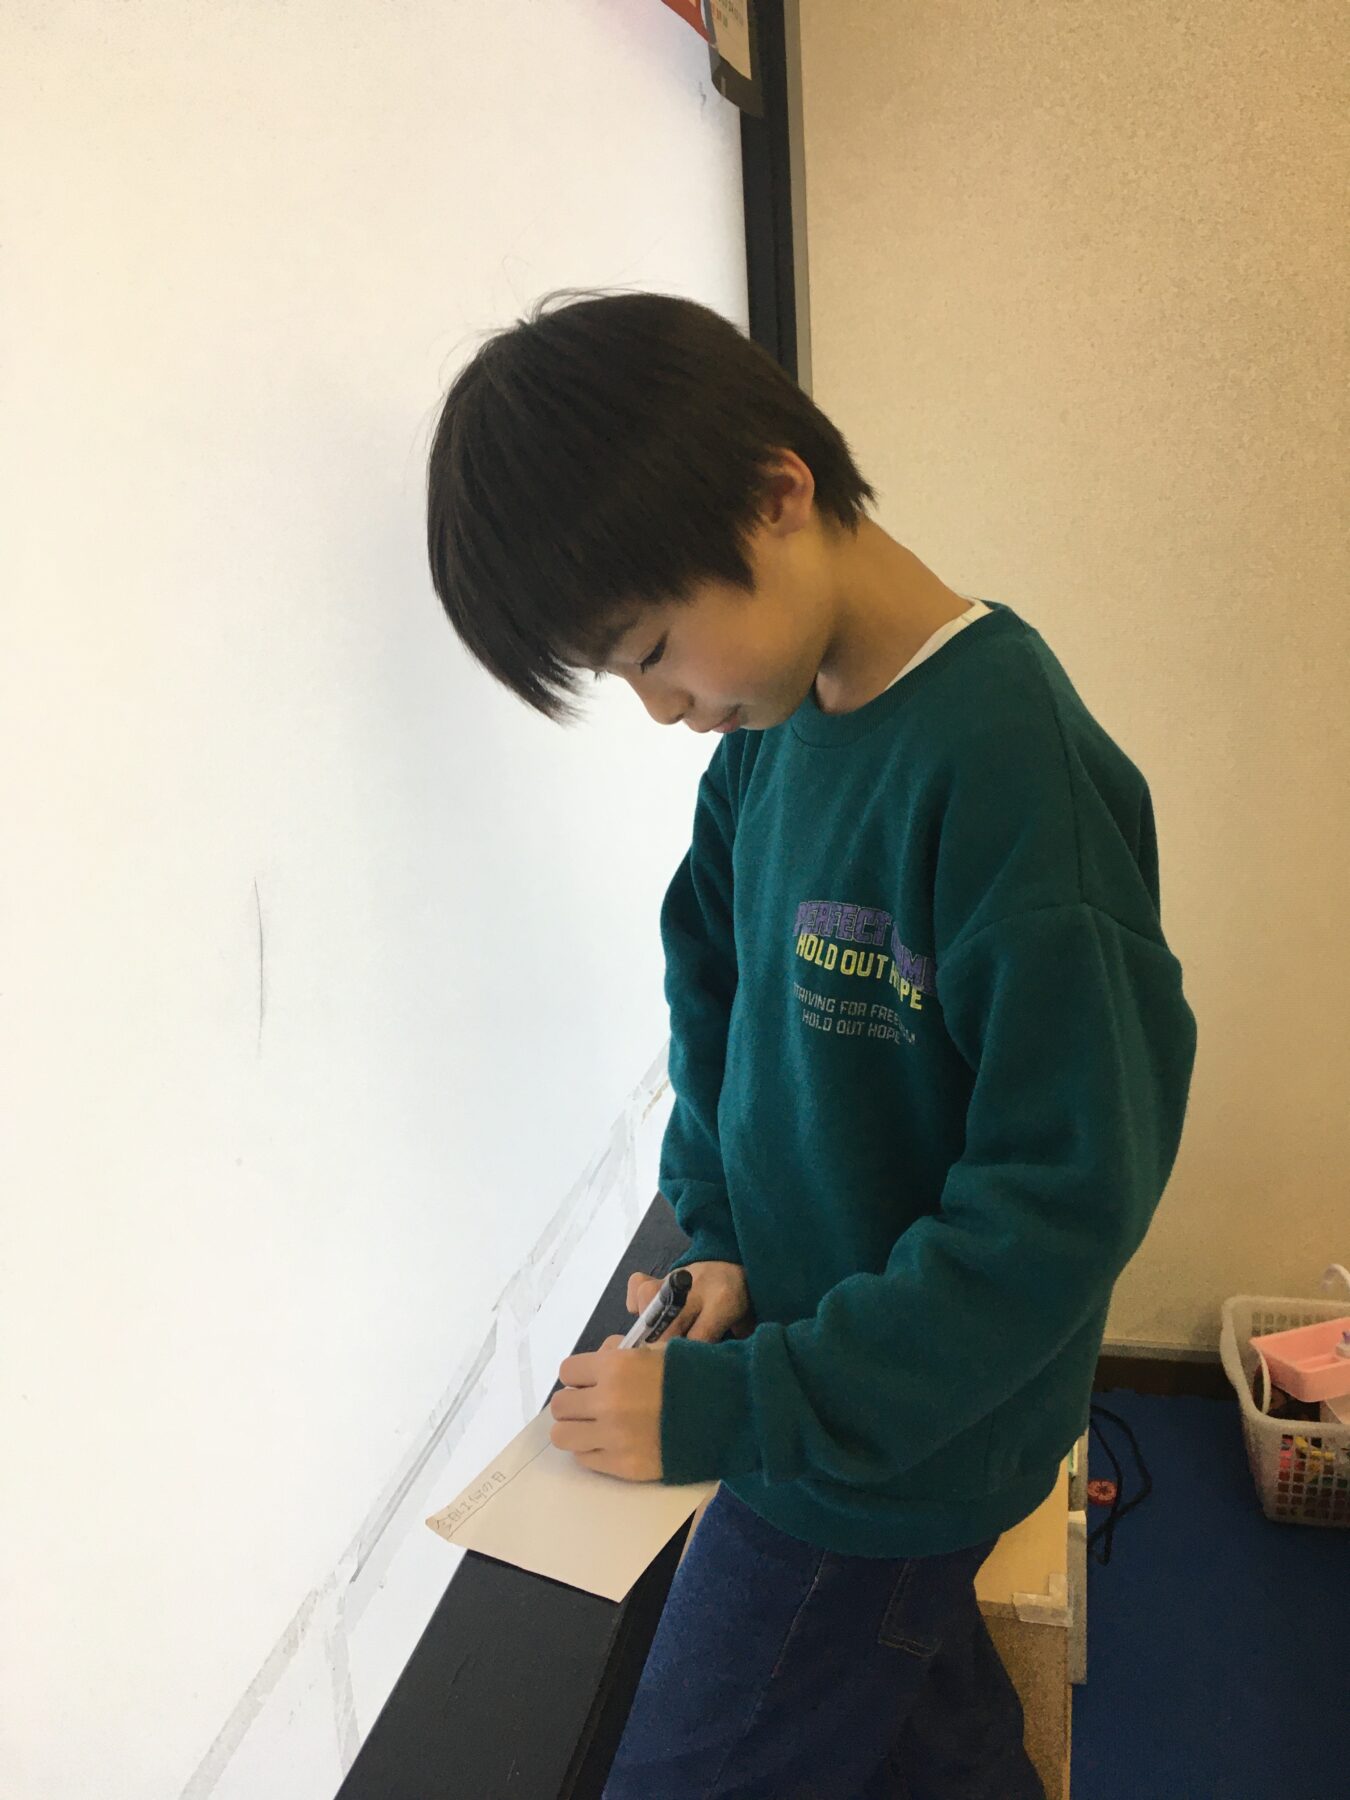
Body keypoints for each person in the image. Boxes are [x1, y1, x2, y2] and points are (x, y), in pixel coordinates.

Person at [425, 289, 1197, 1798]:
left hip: (896, 1443)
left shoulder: (1011, 773)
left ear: (777, 495)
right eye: (625, 677)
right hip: (819, 1375)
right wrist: (718, 1239)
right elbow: (711, 997)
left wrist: (749, 1405)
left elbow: (1062, 1202)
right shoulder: (769, 731)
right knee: (916, 1725)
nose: (663, 709)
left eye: (654, 650)